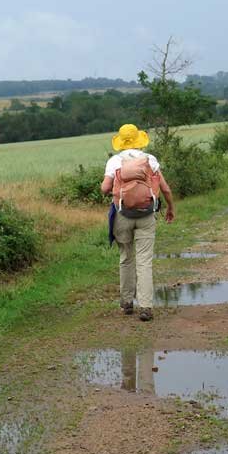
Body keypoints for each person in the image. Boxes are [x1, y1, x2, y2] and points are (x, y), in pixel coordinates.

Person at [101, 124, 175, 322]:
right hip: (146, 215)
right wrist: (170, 208)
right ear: (138, 140)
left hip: (122, 215)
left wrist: (117, 187)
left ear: (121, 142)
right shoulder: (150, 159)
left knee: (126, 257)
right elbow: (165, 189)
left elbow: (105, 188)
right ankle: (146, 307)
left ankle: (126, 303)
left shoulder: (114, 161)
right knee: (144, 261)